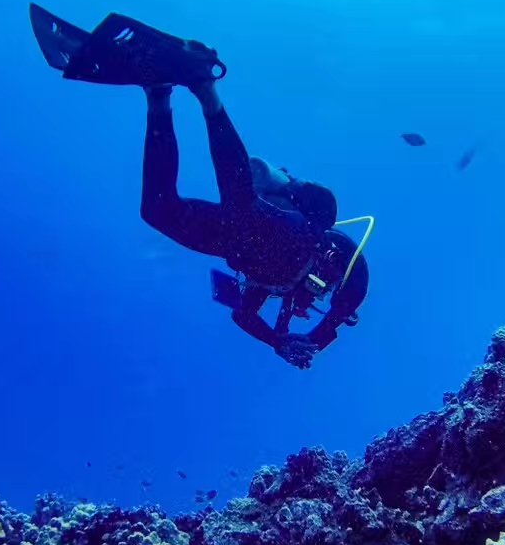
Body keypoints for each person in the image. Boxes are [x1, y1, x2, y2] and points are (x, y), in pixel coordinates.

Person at [140, 81, 368, 368]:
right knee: (240, 202)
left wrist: (278, 341)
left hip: (237, 244)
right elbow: (352, 293)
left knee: (157, 211)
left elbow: (242, 314)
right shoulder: (334, 250)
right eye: (322, 290)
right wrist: (313, 338)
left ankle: (158, 97)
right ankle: (205, 90)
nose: (315, 297)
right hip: (286, 239)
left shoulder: (272, 287)